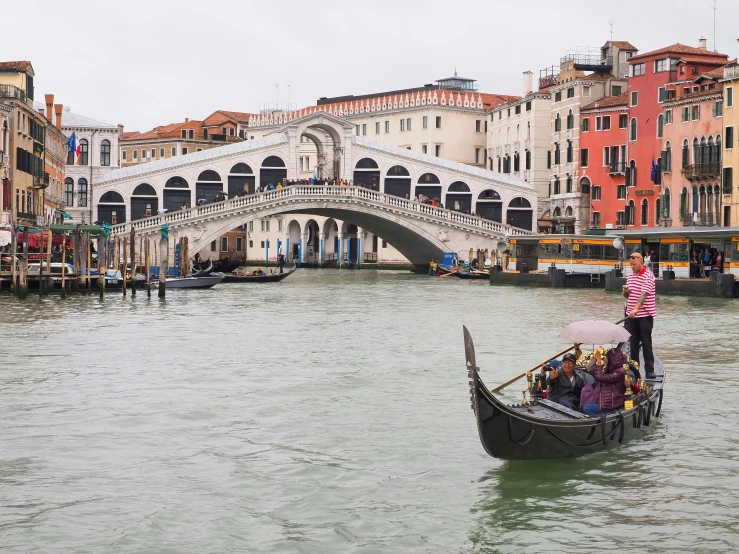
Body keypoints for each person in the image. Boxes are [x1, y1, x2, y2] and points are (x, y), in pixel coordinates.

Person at [623, 251, 656, 379]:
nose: (632, 267)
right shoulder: (631, 276)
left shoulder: (649, 276)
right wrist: (625, 292)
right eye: (631, 265)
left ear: (641, 262)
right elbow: (627, 296)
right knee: (633, 343)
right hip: (631, 315)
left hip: (645, 315)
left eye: (634, 265)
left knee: (646, 342)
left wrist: (635, 309)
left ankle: (650, 371)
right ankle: (635, 371)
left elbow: (643, 295)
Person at [581, 347, 626, 416]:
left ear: (613, 360)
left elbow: (600, 377)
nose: (605, 360)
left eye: (607, 358)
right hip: (606, 401)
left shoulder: (620, 372)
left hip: (612, 405)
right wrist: (594, 362)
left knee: (587, 408)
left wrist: (599, 361)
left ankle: (597, 421)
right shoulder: (613, 370)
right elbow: (597, 378)